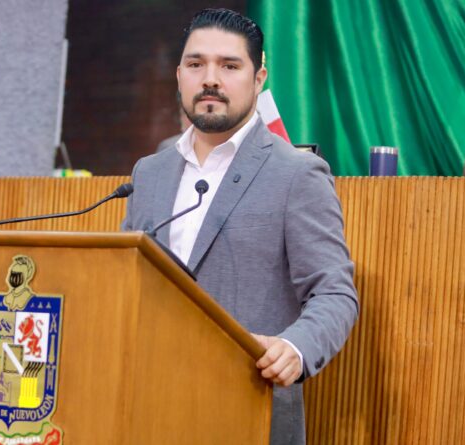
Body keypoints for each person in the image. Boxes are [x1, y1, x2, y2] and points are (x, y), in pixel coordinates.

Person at [121, 8, 358, 445]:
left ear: (258, 78)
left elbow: (334, 293)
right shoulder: (148, 173)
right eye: (196, 64)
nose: (210, 79)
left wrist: (295, 347)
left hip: (249, 406)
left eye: (229, 66)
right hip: (148, 406)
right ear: (179, 75)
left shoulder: (297, 174)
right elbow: (125, 285)